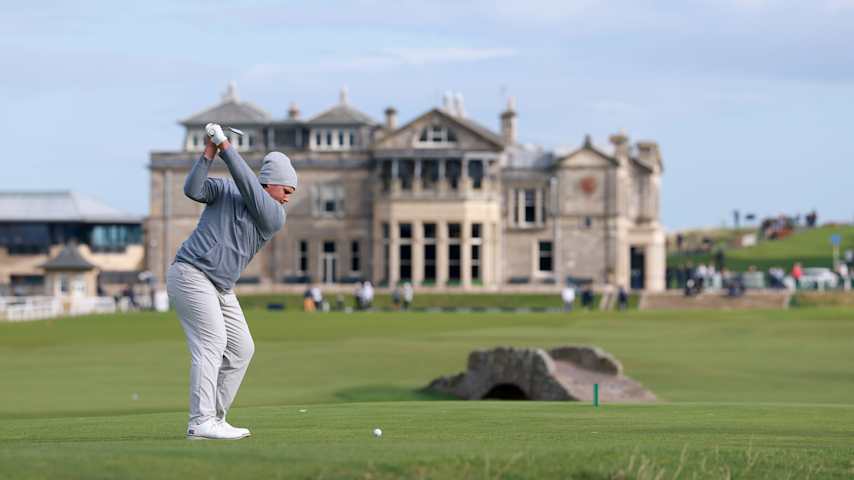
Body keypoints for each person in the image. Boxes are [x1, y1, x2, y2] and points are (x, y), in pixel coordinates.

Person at [166, 123, 297, 440]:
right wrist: (209, 152)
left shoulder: (273, 215)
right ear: (271, 184)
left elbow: (248, 186)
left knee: (241, 349)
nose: (288, 199)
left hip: (220, 287)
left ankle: (215, 418)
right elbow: (193, 190)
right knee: (212, 344)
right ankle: (200, 420)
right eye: (286, 191)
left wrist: (225, 145)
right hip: (191, 273)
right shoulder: (226, 191)